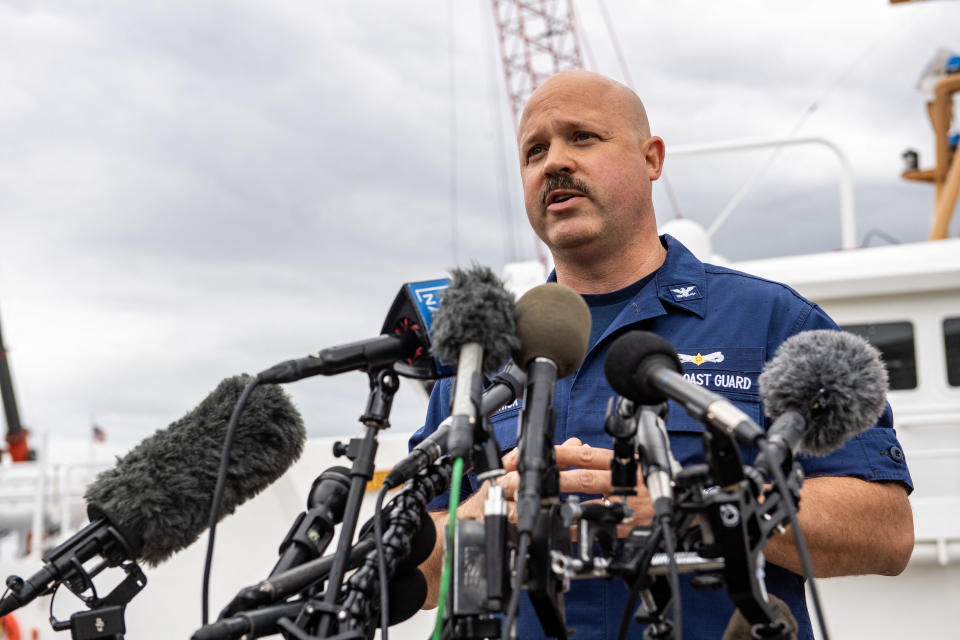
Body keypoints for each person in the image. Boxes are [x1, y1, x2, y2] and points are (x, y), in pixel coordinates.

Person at [410, 70, 914, 640]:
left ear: (652, 158)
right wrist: (474, 522)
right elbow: (414, 571)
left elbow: (885, 532)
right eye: (534, 150)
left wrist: (689, 510)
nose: (553, 162)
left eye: (582, 137)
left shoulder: (774, 322)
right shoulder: (481, 359)